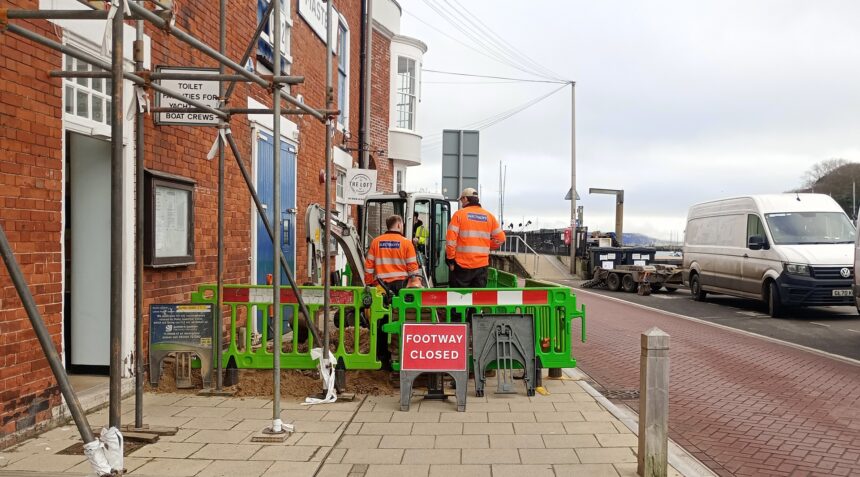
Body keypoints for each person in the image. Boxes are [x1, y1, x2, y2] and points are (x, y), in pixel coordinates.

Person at [446, 187, 506, 288]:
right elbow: (501, 239)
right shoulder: (489, 216)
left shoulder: (459, 215)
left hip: (462, 266)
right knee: (477, 298)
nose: (461, 203)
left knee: (458, 298)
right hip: (481, 266)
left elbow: (451, 241)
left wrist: (451, 260)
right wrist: (487, 245)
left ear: (465, 199)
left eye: (461, 200)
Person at [364, 214, 420, 295]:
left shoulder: (375, 242)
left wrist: (369, 283)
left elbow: (368, 267)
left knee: (381, 307)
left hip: (380, 285)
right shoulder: (407, 243)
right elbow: (412, 268)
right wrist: (415, 282)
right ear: (398, 225)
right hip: (401, 285)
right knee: (400, 307)